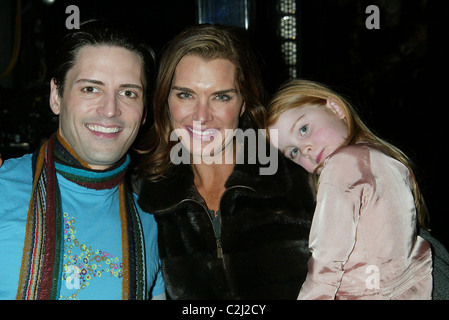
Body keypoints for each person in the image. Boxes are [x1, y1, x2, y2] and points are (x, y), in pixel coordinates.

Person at [135, 24, 315, 299]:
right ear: (165, 100)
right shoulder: (144, 198)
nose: (202, 115)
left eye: (221, 96)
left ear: (243, 103)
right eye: (186, 94)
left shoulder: (302, 182)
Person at [0, 20, 165, 300]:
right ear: (56, 96)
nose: (110, 110)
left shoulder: (152, 220)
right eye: (90, 88)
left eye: (128, 93)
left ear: (144, 111)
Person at [268, 79, 433, 299]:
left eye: (304, 129)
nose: (305, 149)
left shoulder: (344, 164)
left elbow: (326, 263)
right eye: (293, 152)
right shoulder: (383, 158)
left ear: (335, 108)